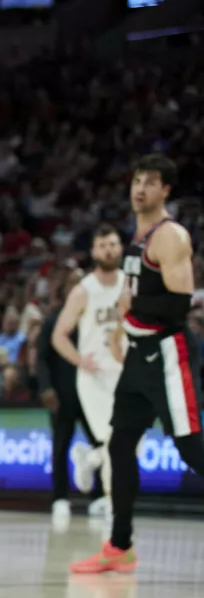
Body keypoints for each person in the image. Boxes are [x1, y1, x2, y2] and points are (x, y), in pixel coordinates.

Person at [72, 155, 203, 573]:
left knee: (190, 446)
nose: (139, 188)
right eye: (136, 179)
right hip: (138, 356)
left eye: (150, 181)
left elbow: (179, 303)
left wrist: (129, 310)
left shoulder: (171, 236)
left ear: (166, 190)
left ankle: (120, 543)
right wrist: (121, 328)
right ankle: (120, 545)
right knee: (120, 443)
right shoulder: (136, 237)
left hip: (167, 352)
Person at [51, 224, 124, 522]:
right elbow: (59, 335)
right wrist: (79, 359)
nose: (108, 250)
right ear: (94, 252)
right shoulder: (84, 290)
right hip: (94, 376)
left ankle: (89, 458)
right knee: (115, 439)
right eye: (102, 245)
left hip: (126, 373)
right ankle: (113, 505)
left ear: (120, 247)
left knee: (131, 439)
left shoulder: (130, 286)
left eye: (113, 244)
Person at [35, 268, 105, 530]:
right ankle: (60, 498)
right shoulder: (54, 321)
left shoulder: (95, 319)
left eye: (82, 281)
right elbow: (41, 358)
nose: (78, 286)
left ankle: (99, 497)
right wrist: (45, 388)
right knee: (60, 446)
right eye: (73, 282)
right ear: (64, 289)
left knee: (101, 444)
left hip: (93, 395)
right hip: (62, 395)